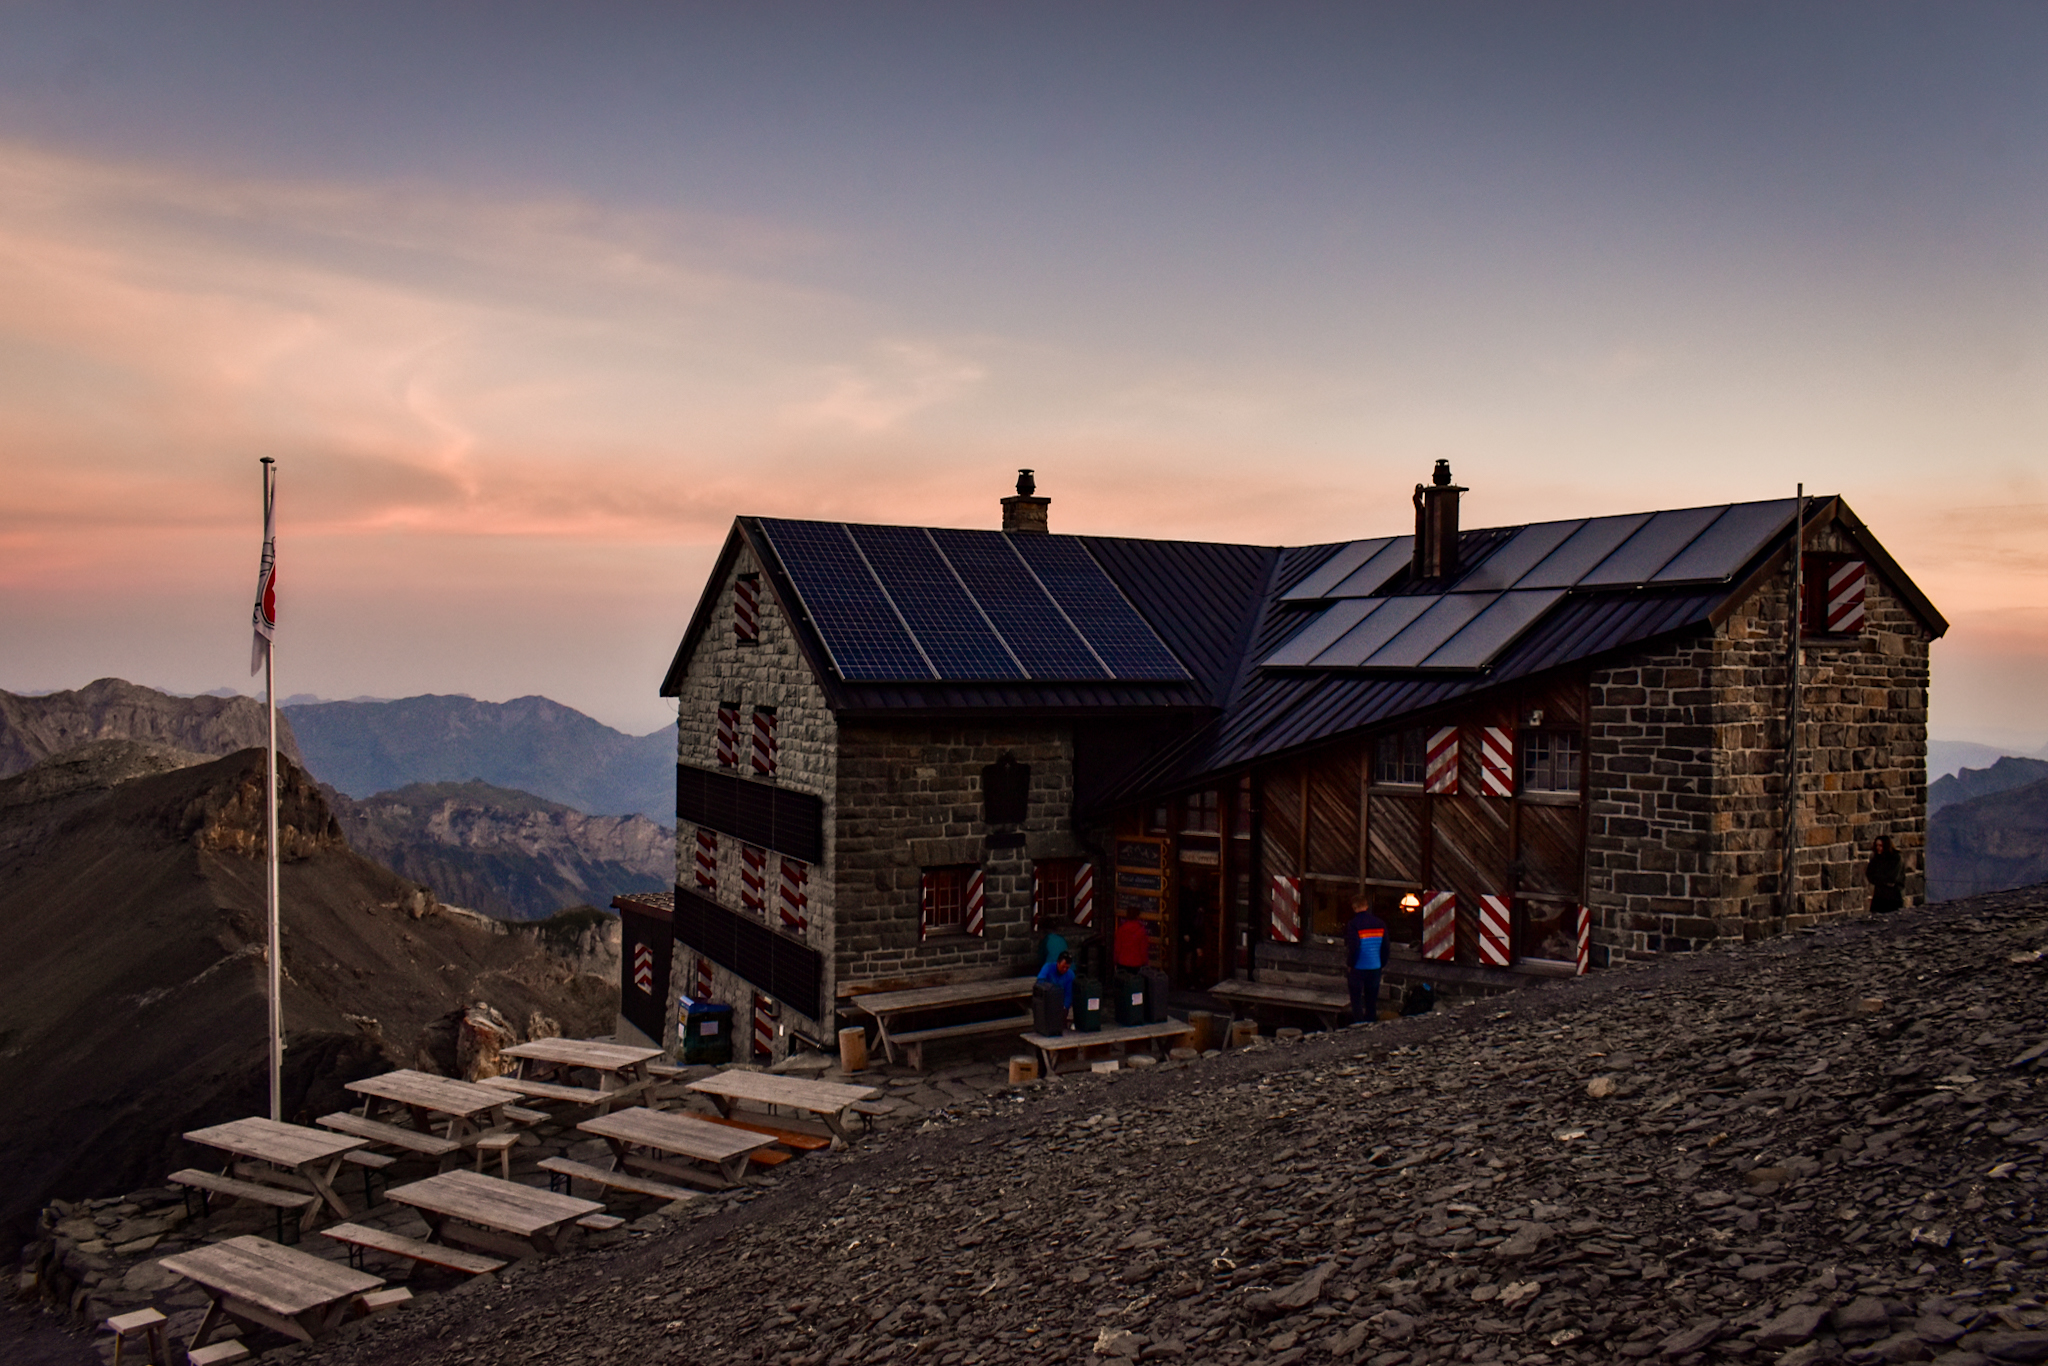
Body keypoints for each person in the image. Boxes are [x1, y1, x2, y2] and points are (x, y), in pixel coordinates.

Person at [1344, 896, 1388, 1025]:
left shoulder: (1353, 924)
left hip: (1358, 967)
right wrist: (1381, 963)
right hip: (1375, 966)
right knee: (1371, 1000)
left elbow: (1354, 947)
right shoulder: (1380, 923)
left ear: (1354, 907)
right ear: (1367, 906)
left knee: (1356, 1000)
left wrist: (1350, 964)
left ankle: (1358, 1025)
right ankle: (1371, 1025)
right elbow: (1385, 947)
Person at [1866, 835, 1904, 914]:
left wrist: (1880, 878)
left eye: (1880, 845)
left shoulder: (1896, 858)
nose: (1878, 848)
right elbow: (1870, 875)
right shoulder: (1876, 859)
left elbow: (1892, 878)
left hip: (1892, 897)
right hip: (1879, 896)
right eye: (1877, 845)